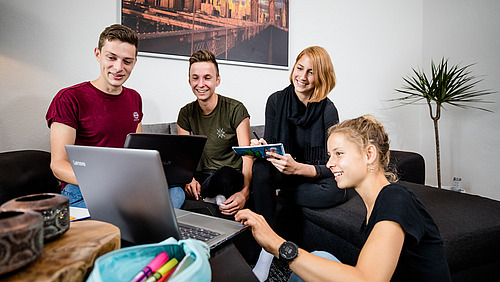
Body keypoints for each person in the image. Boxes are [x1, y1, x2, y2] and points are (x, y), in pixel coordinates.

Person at [236, 115, 451, 282]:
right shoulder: (376, 205)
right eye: (330, 155)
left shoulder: (396, 198)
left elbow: (368, 279)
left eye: (338, 154)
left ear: (369, 155)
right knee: (321, 256)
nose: (329, 163)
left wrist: (276, 244)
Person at [46, 24, 185, 208]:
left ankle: (141, 220)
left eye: (127, 61)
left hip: (126, 185)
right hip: (85, 188)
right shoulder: (69, 98)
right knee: (138, 211)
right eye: (111, 58)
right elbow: (58, 165)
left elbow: (137, 153)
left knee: (176, 192)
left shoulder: (134, 97)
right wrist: (106, 181)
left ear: (134, 62)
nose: (118, 67)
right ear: (98, 54)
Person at [250, 46, 345, 281]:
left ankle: (278, 197)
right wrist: (264, 148)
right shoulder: (275, 101)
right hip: (283, 171)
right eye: (299, 68)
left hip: (308, 174)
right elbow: (272, 143)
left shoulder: (328, 110)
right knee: (260, 168)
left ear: (321, 76)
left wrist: (299, 168)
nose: (302, 77)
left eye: (311, 72)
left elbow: (332, 163)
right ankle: (267, 248)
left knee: (336, 189)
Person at [177, 50, 253, 216]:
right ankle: (210, 198)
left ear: (217, 80)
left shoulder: (236, 109)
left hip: (227, 177)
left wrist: (245, 192)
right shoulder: (185, 113)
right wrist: (189, 179)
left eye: (207, 78)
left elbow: (247, 155)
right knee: (172, 181)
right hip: (201, 178)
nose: (201, 84)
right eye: (195, 78)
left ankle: (210, 199)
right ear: (189, 81)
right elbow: (184, 158)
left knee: (226, 176)